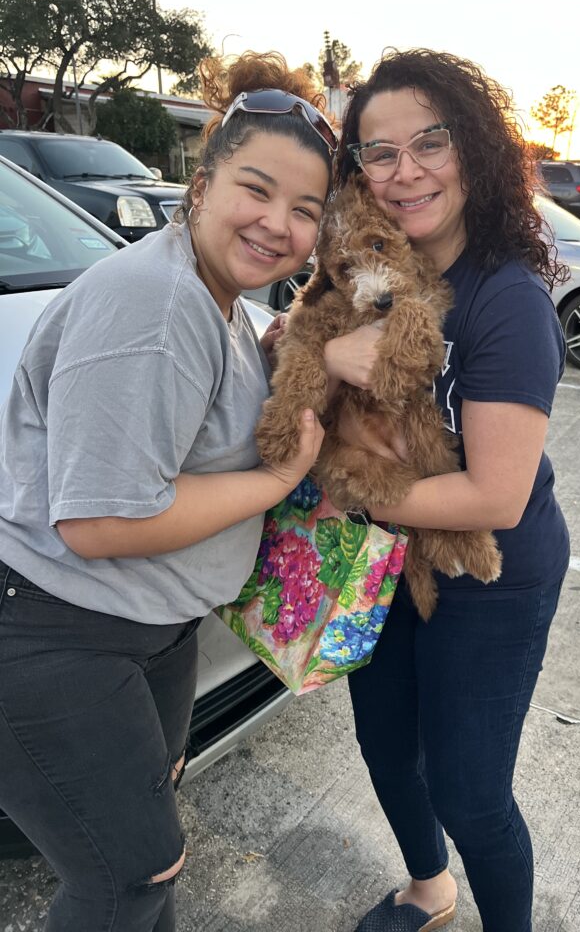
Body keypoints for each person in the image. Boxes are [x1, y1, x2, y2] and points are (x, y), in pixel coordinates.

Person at [0, 51, 332, 932]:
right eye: (256, 189)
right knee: (127, 879)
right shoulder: (153, 299)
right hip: (59, 631)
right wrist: (278, 479)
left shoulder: (215, 295)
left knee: (147, 866)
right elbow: (104, 520)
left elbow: (188, 423)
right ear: (202, 180)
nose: (277, 224)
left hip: (146, 628)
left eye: (305, 210)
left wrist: (275, 360)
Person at [327, 49, 571, 932]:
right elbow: (315, 357)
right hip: (389, 562)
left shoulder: (505, 300)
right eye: (379, 153)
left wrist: (347, 492)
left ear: (473, 148)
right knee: (388, 748)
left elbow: (493, 499)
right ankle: (429, 890)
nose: (405, 173)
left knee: (469, 792)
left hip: (490, 574)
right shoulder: (373, 274)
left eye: (430, 143)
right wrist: (320, 352)